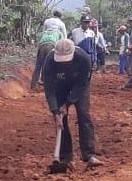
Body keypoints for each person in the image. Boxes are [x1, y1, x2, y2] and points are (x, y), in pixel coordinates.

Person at [42, 39, 102, 167]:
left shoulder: (84, 58)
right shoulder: (49, 61)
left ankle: (89, 155)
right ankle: (65, 158)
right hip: (60, 88)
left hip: (79, 87)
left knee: (84, 115)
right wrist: (55, 111)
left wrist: (68, 103)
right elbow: (49, 89)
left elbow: (82, 83)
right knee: (61, 121)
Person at [31, 10, 67, 90]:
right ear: (60, 16)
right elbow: (65, 37)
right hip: (52, 45)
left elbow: (43, 31)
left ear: (53, 14)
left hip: (42, 44)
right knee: (51, 65)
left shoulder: (47, 21)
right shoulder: (61, 24)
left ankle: (33, 85)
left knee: (39, 65)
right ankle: (49, 84)